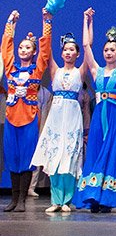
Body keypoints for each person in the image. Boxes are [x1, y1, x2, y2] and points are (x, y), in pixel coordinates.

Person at [74, 8, 116, 212]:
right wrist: (87, 20)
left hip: (113, 116)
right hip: (98, 118)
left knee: (111, 153)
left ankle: (107, 198)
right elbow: (86, 45)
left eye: (113, 50)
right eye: (106, 50)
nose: (109, 52)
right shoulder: (96, 70)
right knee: (94, 152)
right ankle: (93, 195)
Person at [2, 8, 52, 212]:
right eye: (21, 47)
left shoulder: (37, 69)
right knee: (12, 157)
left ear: (33, 52)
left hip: (29, 119)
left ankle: (23, 198)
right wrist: (10, 23)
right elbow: (6, 49)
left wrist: (46, 21)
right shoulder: (11, 70)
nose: (22, 50)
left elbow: (46, 51)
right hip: (11, 118)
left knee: (26, 157)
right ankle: (13, 199)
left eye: (27, 48)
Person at [31, 33, 86, 212]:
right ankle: (56, 200)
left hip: (72, 116)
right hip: (56, 115)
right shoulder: (56, 70)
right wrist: (47, 22)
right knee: (54, 155)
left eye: (72, 50)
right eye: (65, 50)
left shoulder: (80, 72)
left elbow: (88, 46)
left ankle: (67, 201)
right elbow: (46, 50)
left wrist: (88, 21)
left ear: (77, 54)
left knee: (69, 156)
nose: (68, 52)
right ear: (62, 53)